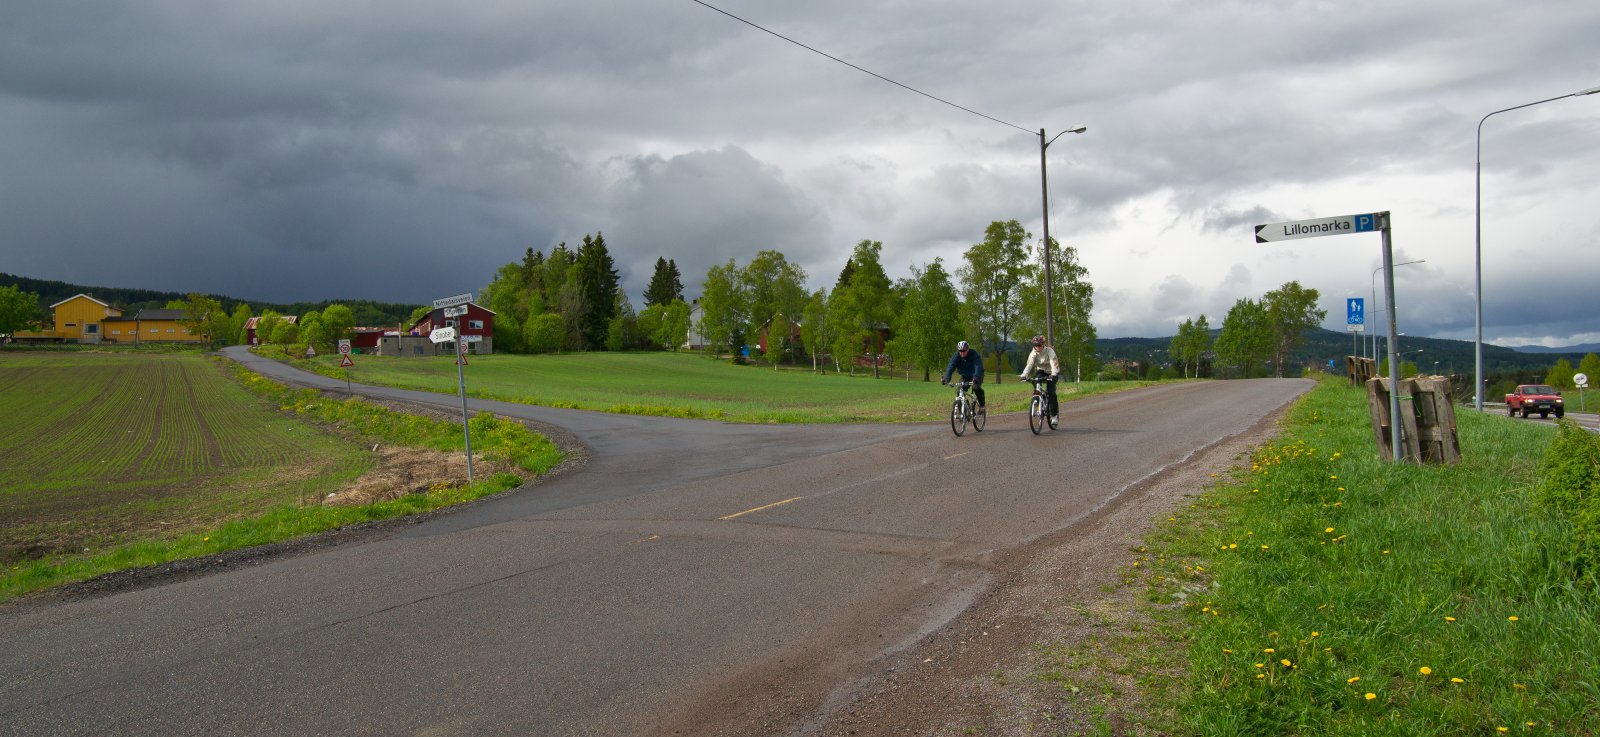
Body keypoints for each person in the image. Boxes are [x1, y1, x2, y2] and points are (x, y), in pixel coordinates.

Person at [1018, 335, 1061, 428]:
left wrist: (1054, 374)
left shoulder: (1049, 351)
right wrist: (1024, 375)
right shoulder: (1033, 353)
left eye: (1039, 345)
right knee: (1037, 384)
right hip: (1041, 371)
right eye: (1035, 345)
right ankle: (1038, 404)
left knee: (1051, 392)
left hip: (1052, 371)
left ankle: (1054, 416)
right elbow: (1029, 365)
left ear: (1043, 344)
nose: (1037, 347)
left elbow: (1053, 363)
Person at [940, 340, 985, 413]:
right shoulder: (956, 356)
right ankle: (964, 413)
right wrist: (946, 379)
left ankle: (982, 406)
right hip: (965, 376)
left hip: (977, 375)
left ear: (968, 349)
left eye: (964, 350)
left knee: (976, 388)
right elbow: (950, 367)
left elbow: (978, 366)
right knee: (959, 391)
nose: (962, 352)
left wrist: (976, 377)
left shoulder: (974, 354)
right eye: (960, 351)